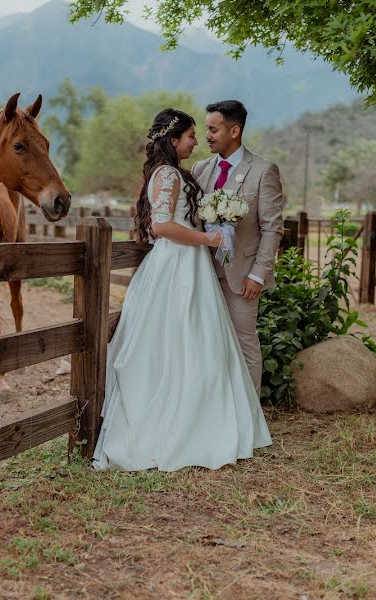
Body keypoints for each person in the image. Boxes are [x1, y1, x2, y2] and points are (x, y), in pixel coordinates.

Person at [92, 108, 271, 472]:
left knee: (193, 342)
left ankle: (202, 419)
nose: (197, 141)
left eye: (201, 132)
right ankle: (181, 427)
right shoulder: (170, 174)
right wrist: (208, 237)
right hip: (177, 265)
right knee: (181, 342)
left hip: (187, 264)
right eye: (191, 135)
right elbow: (161, 226)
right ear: (173, 141)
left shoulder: (174, 173)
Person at [192, 100, 285, 397]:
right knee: (206, 342)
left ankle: (250, 420)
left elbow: (272, 227)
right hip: (202, 272)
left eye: (213, 129)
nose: (206, 135)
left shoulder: (263, 170)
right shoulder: (200, 169)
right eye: (206, 129)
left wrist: (258, 275)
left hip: (242, 277)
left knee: (245, 343)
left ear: (235, 130)